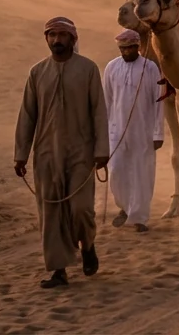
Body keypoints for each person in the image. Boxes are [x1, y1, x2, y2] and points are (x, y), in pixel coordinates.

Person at [14, 17, 109, 289]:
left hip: (81, 152)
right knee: (51, 212)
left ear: (72, 38)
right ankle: (59, 270)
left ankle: (87, 245)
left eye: (62, 35)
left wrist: (101, 150)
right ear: (46, 38)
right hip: (46, 153)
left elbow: (99, 112)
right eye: (52, 35)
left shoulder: (88, 69)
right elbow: (27, 115)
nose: (57, 40)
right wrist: (21, 154)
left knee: (81, 209)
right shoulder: (37, 72)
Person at [103, 29, 164, 233]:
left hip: (143, 130)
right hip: (116, 130)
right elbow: (107, 101)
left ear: (138, 47)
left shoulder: (150, 68)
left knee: (141, 173)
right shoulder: (111, 67)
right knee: (116, 171)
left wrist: (158, 133)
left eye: (130, 48)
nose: (126, 51)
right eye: (123, 48)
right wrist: (104, 132)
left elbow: (158, 102)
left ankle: (139, 217)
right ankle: (124, 207)